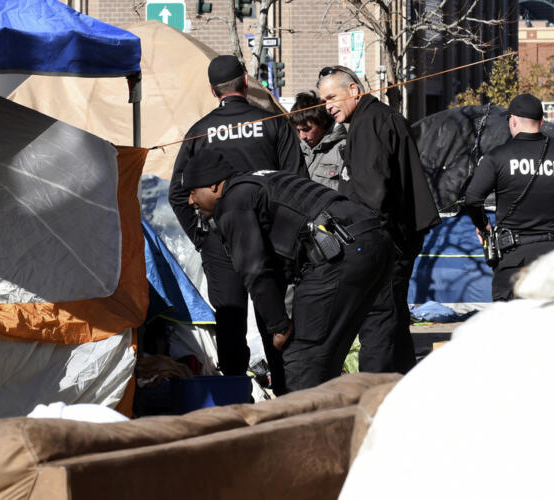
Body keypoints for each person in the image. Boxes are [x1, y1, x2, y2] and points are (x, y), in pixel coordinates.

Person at [182, 149, 394, 392]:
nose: (190, 202)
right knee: (365, 340)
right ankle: (372, 412)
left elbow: (254, 269)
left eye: (192, 192)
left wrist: (279, 326)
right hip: (375, 239)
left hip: (339, 251)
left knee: (302, 358)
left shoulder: (233, 202)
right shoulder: (260, 181)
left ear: (215, 187)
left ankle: (301, 426)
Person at [169, 55, 306, 394]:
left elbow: (177, 194)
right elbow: (298, 185)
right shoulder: (273, 122)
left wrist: (202, 238)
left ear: (213, 90)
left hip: (219, 241)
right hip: (269, 240)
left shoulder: (199, 131)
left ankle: (234, 398)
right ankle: (286, 396)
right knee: (274, 320)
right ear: (245, 82)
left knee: (230, 322)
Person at [317, 65, 440, 374]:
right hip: (395, 234)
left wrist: (362, 242)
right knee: (392, 316)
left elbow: (372, 193)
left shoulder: (370, 122)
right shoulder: (374, 118)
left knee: (378, 319)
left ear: (354, 91)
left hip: (384, 239)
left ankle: (375, 387)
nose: (328, 106)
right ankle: (399, 381)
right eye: (324, 100)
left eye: (332, 97)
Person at [464, 93, 554, 301]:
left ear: (513, 120)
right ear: (541, 122)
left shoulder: (496, 157)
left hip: (513, 261)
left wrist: (484, 228)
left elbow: (472, 199)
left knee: (512, 328)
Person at [289, 91, 347, 190]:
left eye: (306, 129)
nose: (302, 136)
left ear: (322, 122)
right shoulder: (296, 150)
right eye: (298, 130)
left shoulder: (344, 149)